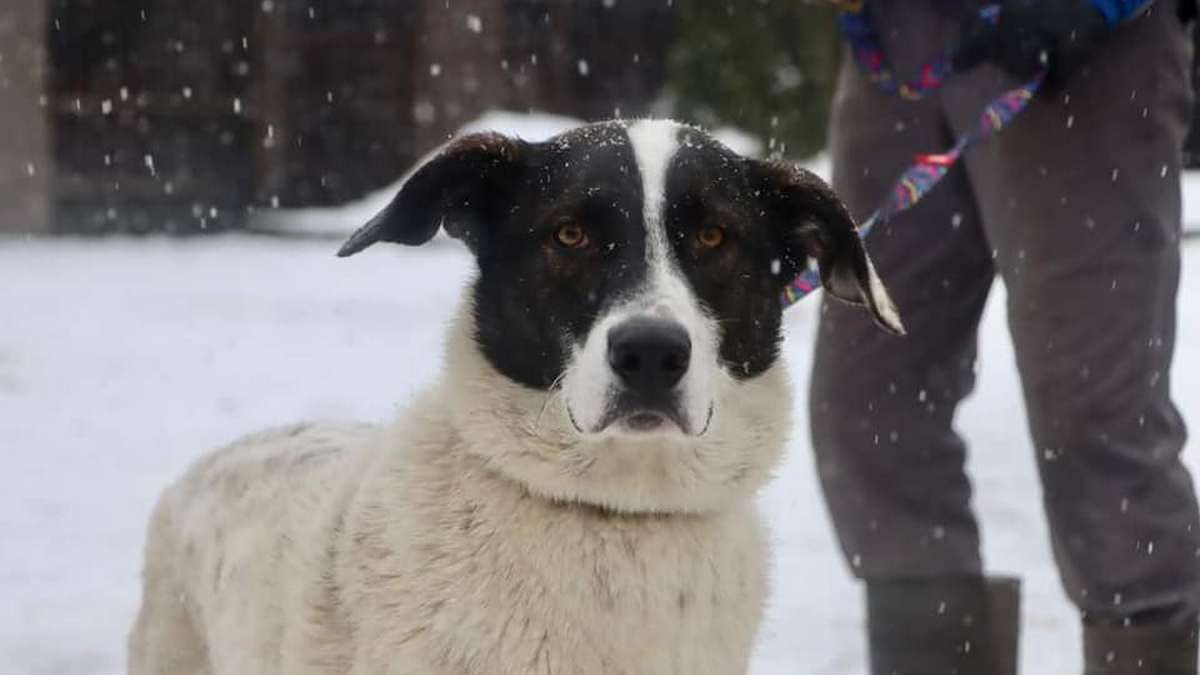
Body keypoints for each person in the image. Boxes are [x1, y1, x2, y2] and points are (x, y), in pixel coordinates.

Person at [811, 1, 1200, 673]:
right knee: (868, 402)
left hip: (1086, 46)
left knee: (1095, 418)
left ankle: (1146, 638)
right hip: (894, 40)